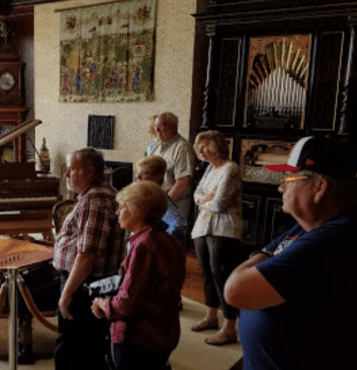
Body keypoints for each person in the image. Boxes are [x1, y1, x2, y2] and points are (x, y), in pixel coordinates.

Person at [224, 136, 357, 370]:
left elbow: (236, 291)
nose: (281, 187)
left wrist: (261, 256)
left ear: (320, 187)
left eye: (289, 178)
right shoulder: (309, 225)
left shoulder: (334, 238)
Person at [91, 181, 186, 370]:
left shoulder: (145, 246)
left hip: (142, 337)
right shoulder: (166, 239)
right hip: (165, 331)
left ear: (138, 209)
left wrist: (102, 303)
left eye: (122, 207)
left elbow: (126, 304)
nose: (117, 212)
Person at [53, 147, 126, 370]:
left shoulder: (94, 199)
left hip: (85, 285)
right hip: (91, 282)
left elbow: (87, 255)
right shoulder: (102, 193)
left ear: (89, 172)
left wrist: (67, 294)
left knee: (71, 347)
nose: (66, 175)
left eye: (71, 169)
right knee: (89, 346)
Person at [190, 130, 243, 345]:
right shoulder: (210, 169)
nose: (200, 151)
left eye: (204, 147)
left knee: (221, 274)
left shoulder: (230, 168)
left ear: (217, 146)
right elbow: (196, 196)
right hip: (202, 227)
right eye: (198, 148)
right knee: (207, 274)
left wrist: (206, 201)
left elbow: (220, 204)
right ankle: (211, 317)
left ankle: (229, 327)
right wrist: (206, 199)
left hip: (224, 229)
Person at [147, 112, 194, 218]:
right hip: (156, 205)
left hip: (173, 207)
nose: (157, 130)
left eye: (160, 126)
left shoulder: (182, 147)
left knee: (169, 234)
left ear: (173, 126)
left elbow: (182, 184)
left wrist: (162, 206)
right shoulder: (155, 147)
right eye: (155, 127)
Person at [135, 155, 187, 248]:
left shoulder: (158, 199)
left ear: (157, 177)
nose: (138, 177)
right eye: (137, 173)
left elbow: (178, 225)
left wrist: (158, 245)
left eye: (144, 173)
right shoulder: (146, 197)